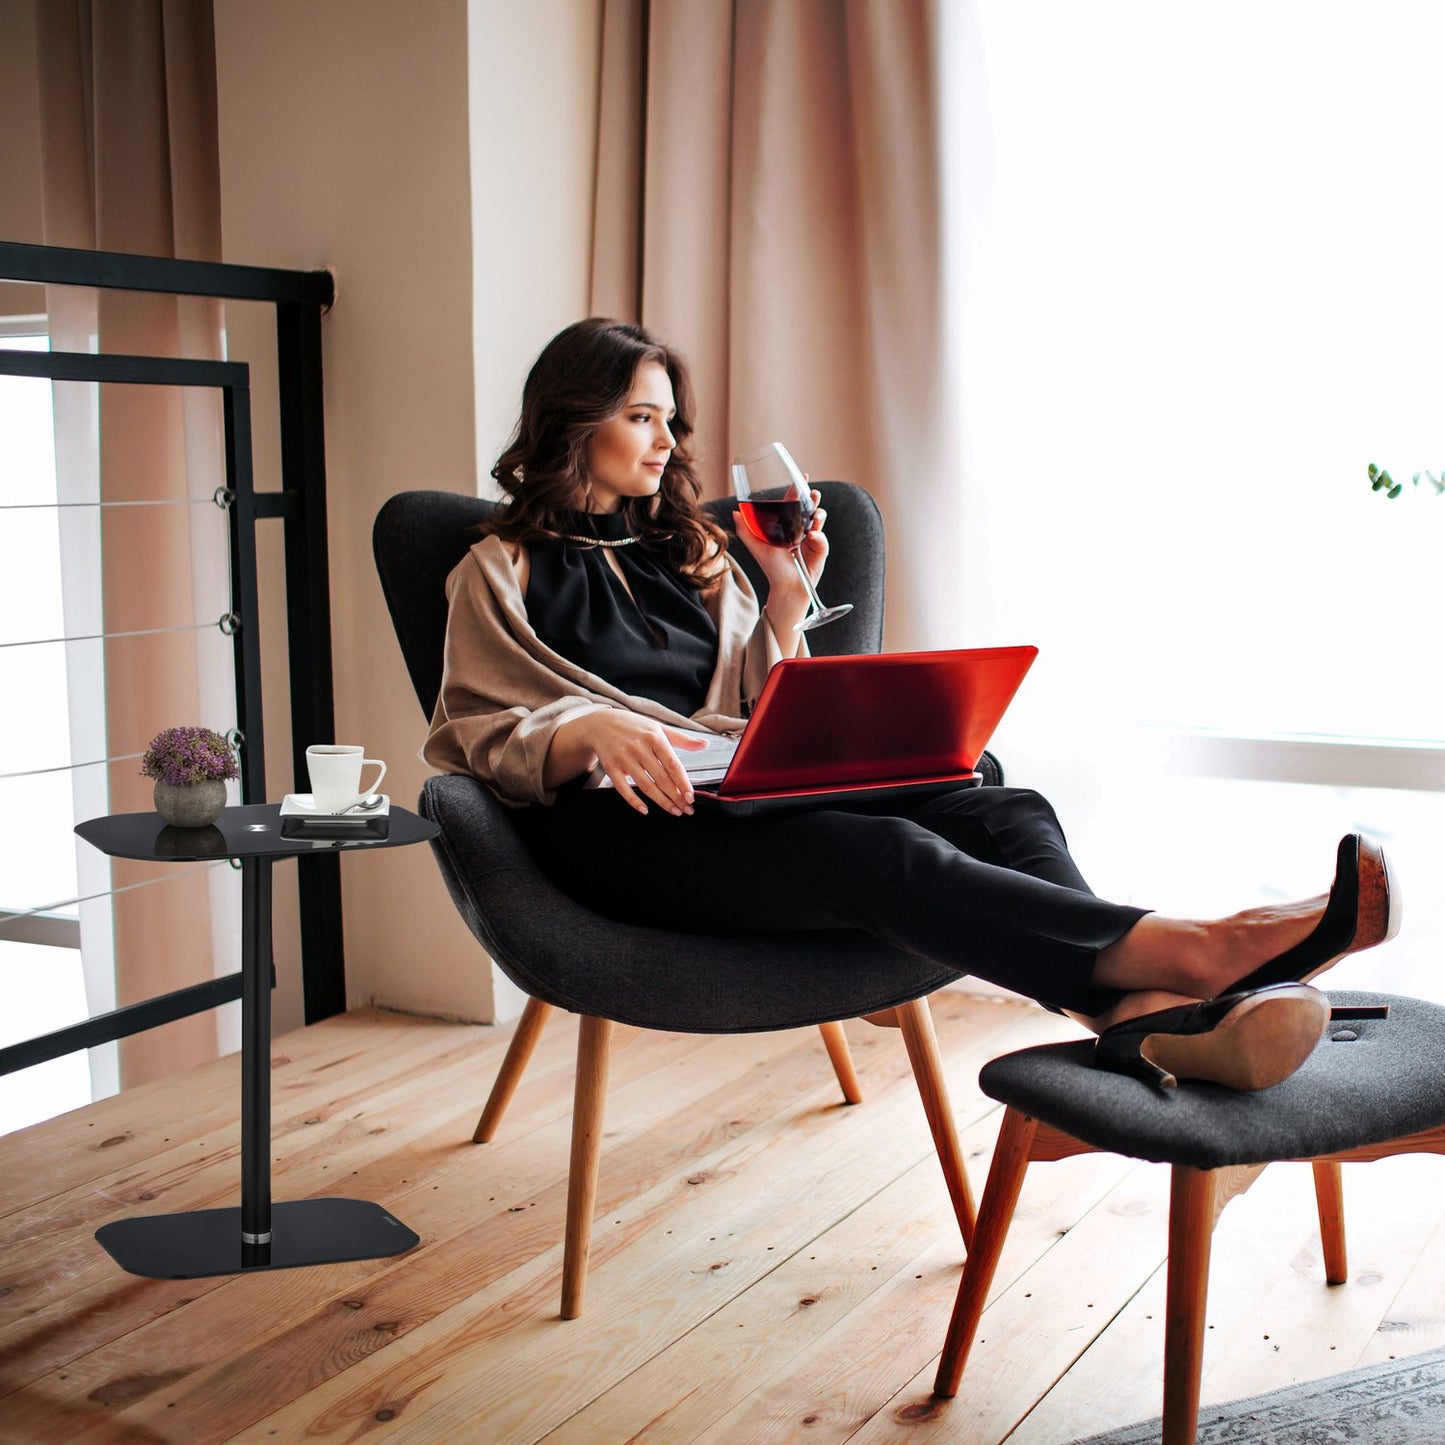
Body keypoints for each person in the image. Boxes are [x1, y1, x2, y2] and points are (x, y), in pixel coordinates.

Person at [424, 318, 1400, 1093]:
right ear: (570, 420)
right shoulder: (496, 569)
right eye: (641, 415)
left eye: (669, 419)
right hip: (619, 833)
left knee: (1002, 802)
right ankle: (1203, 947)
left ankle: (1137, 1023)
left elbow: (753, 713)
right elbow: (471, 731)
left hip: (732, 801)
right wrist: (584, 726)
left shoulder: (696, 558)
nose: (665, 439)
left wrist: (780, 600)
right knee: (879, 855)